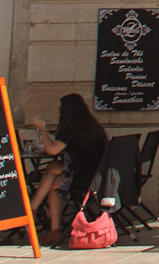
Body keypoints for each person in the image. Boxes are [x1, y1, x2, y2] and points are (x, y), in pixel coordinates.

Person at [26, 93, 108, 244]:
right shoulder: (92, 125)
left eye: (60, 109)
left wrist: (43, 130)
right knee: (55, 179)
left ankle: (33, 210)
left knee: (52, 170)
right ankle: (48, 224)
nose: (57, 112)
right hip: (97, 175)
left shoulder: (70, 127)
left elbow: (52, 151)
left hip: (84, 179)